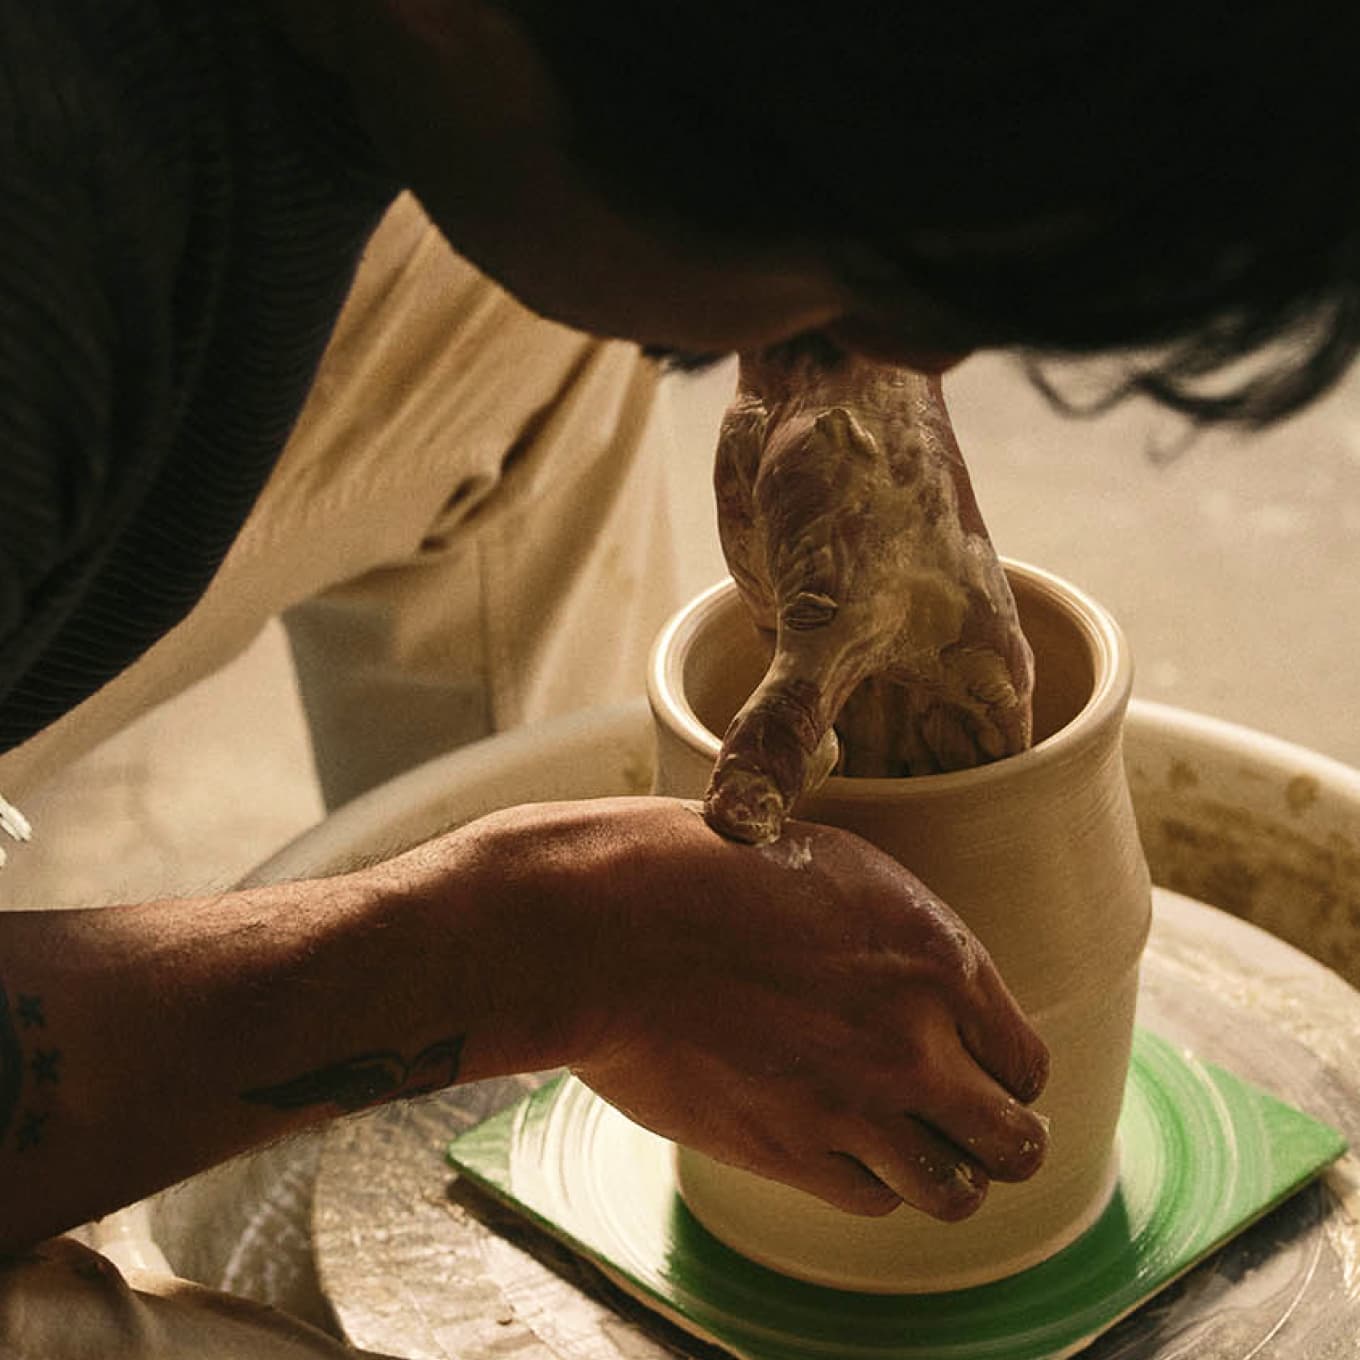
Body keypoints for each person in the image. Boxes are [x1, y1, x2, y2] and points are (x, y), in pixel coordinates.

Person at [0, 1, 1355, 1353]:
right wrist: (522, 950)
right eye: (859, 264)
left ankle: (584, 1025)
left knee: (536, 354)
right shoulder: (49, 237)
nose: (931, 351)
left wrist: (849, 362)